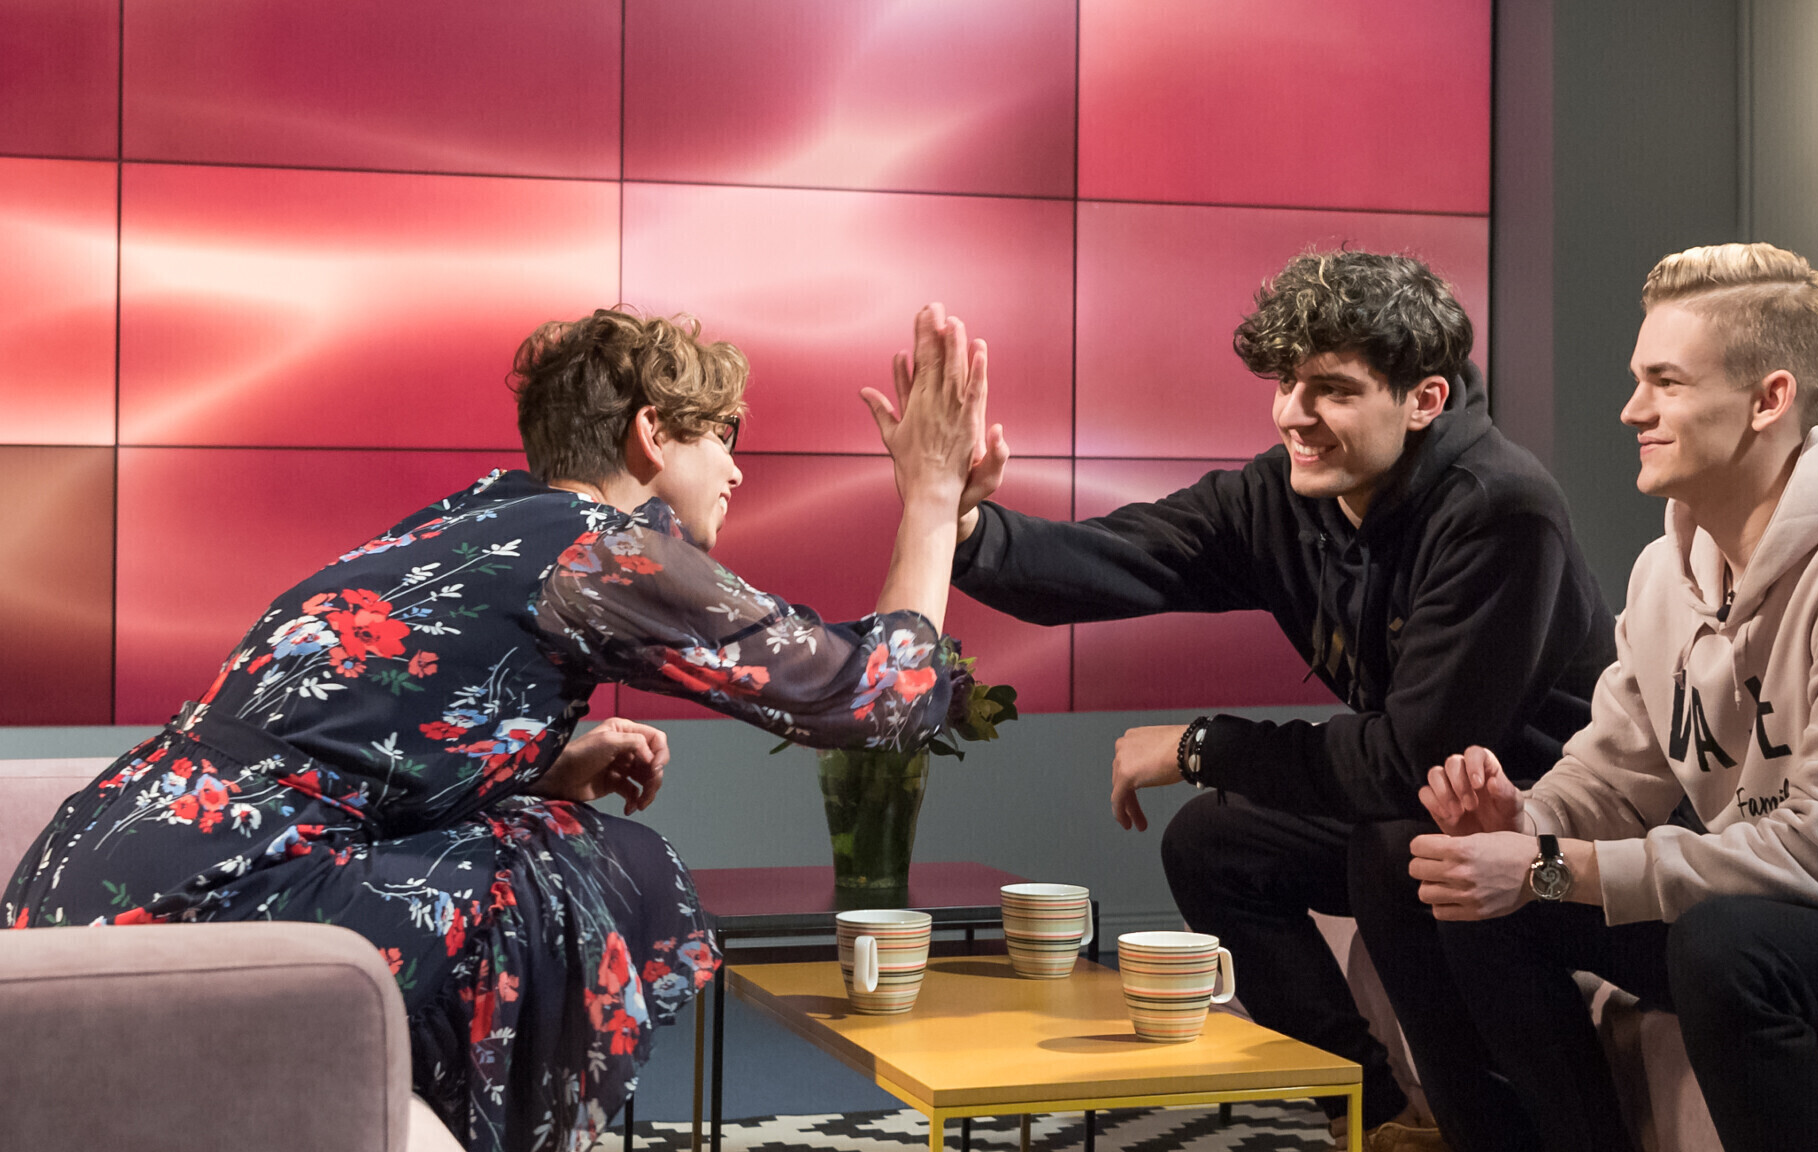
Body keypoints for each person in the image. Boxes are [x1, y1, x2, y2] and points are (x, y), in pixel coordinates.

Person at [4, 302, 992, 1152]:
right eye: (722, 435)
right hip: (205, 922)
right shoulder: (601, 550)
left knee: (539, 821)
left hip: (81, 893)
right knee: (609, 861)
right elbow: (875, 699)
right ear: (652, 434)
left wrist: (533, 763)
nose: (736, 468)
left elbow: (341, 734)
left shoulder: (470, 519)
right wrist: (933, 496)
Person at [909, 250, 1612, 1150]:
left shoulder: (1498, 510)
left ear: (1425, 400)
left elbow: (1407, 763)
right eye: (1286, 383)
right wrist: (963, 522)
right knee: (1215, 844)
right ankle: (1381, 1116)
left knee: (1398, 848)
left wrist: (1201, 745)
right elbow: (1122, 559)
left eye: (1332, 390)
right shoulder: (1290, 495)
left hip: (1548, 823)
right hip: (1424, 808)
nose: (1292, 415)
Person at [1405, 242, 1818, 1152]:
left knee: (1728, 948)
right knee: (1462, 889)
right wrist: (1527, 822)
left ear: (1768, 399)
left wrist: (1552, 866)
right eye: (1639, 381)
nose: (1632, 409)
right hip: (1810, 918)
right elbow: (1615, 774)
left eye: (1665, 383)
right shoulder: (1666, 569)